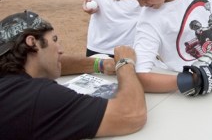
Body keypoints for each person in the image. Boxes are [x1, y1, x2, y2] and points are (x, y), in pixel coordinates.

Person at [0, 10, 147, 139]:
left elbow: (52, 65)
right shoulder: (38, 96)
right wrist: (125, 63)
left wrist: (99, 64)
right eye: (54, 40)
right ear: (32, 42)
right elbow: (131, 115)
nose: (60, 50)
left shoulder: (8, 77)